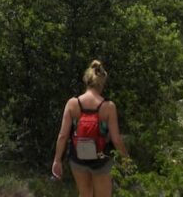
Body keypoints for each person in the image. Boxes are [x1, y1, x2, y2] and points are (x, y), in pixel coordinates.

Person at [52, 60, 129, 197]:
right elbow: (116, 139)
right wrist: (126, 160)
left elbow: (63, 136)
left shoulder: (72, 103)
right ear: (102, 83)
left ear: (86, 81)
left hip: (77, 158)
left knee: (85, 194)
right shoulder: (108, 107)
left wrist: (57, 160)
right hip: (101, 159)